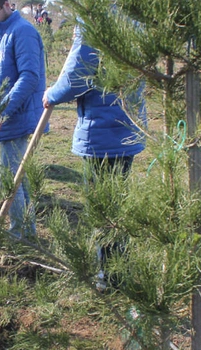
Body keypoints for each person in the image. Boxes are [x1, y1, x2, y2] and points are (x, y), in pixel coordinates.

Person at [43, 25, 146, 287]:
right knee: (116, 202)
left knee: (104, 207)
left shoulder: (93, 20)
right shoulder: (132, 20)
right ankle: (117, 271)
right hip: (127, 125)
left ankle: (110, 277)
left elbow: (76, 77)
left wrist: (52, 93)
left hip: (103, 131)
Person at [0, 0, 46, 238]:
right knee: (18, 178)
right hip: (10, 116)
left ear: (6, 5)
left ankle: (19, 234)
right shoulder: (4, 33)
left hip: (18, 116)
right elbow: (4, 74)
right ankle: (27, 232)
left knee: (10, 178)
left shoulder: (22, 31)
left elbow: (28, 77)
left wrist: (1, 114)